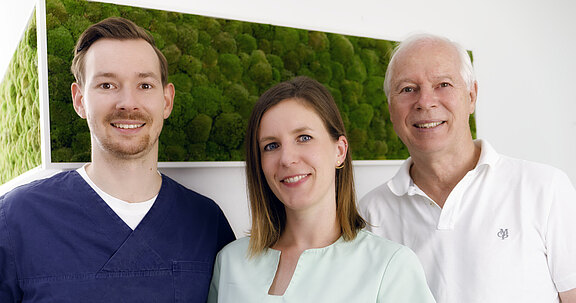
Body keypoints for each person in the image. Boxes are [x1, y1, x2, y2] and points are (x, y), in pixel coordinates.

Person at [0, 17, 235, 302]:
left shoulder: (208, 224)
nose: (127, 102)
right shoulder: (15, 220)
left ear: (167, 101)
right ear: (79, 100)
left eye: (145, 85)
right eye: (107, 85)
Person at [359, 33, 576, 303]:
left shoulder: (545, 188)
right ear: (391, 109)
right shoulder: (370, 214)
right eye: (407, 89)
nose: (425, 101)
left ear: (471, 96)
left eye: (443, 84)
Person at [207, 76, 435, 302]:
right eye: (271, 146)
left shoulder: (391, 267)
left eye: (304, 137)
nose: (286, 159)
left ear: (339, 151)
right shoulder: (229, 262)